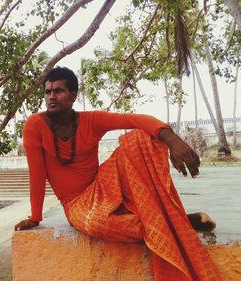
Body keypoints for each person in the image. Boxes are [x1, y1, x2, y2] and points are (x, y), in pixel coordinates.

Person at [14, 67, 219, 281]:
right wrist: (35, 217)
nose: (51, 97)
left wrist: (173, 140)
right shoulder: (34, 125)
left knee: (139, 139)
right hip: (75, 203)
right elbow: (36, 173)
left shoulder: (91, 120)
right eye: (47, 92)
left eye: (58, 91)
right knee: (99, 224)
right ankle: (177, 222)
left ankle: (170, 220)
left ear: (73, 96)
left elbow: (135, 120)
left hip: (101, 186)